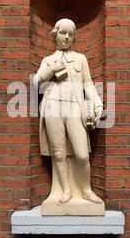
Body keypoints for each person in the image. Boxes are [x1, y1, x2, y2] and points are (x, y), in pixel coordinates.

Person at [33, 18, 104, 206]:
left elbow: (88, 84)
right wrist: (50, 71)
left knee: (82, 154)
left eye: (70, 34)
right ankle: (65, 190)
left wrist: (97, 103)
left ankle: (86, 190)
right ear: (55, 35)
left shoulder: (80, 59)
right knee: (58, 153)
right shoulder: (48, 60)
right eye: (63, 33)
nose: (66, 37)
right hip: (52, 107)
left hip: (74, 107)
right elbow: (34, 84)